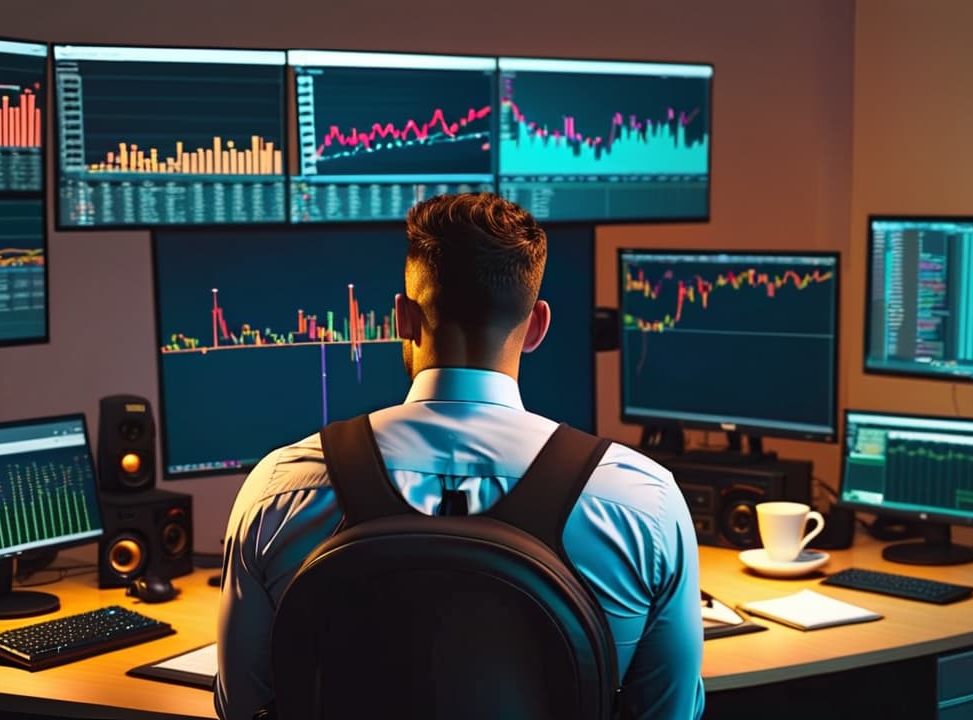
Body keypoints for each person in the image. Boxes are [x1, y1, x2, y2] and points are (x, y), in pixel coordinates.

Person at [215, 192, 705, 720]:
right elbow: (670, 712)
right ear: (538, 325)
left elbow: (241, 705)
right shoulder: (642, 502)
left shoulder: (278, 491)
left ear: (402, 317)